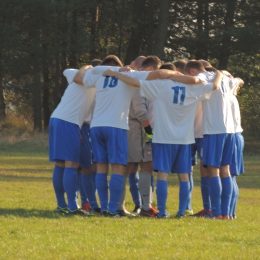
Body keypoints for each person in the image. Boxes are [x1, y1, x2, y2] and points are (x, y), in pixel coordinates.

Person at [102, 67, 222, 218]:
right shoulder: (194, 88)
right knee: (184, 176)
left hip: (163, 138)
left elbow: (134, 82)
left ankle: (163, 211)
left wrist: (115, 74)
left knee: (163, 176)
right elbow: (215, 86)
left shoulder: (160, 85)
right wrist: (218, 74)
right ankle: (181, 211)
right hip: (185, 139)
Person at [184, 60, 244, 219]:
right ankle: (226, 213)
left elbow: (195, 81)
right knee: (226, 170)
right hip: (230, 130)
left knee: (213, 171)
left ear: (192, 70)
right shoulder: (225, 78)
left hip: (213, 130)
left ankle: (216, 212)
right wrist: (230, 76)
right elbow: (239, 81)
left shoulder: (203, 76)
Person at [118, 56, 162, 217]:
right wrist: (150, 132)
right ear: (150, 69)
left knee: (130, 166)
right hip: (137, 127)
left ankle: (120, 205)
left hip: (130, 126)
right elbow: (140, 110)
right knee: (145, 165)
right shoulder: (139, 82)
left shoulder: (132, 78)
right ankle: (145, 206)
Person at [49, 66, 95, 215]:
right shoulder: (90, 80)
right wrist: (86, 68)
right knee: (72, 164)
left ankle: (62, 205)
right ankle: (72, 206)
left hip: (58, 118)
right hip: (68, 121)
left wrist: (85, 67)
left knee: (61, 163)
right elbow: (75, 77)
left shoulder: (76, 74)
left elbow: (67, 71)